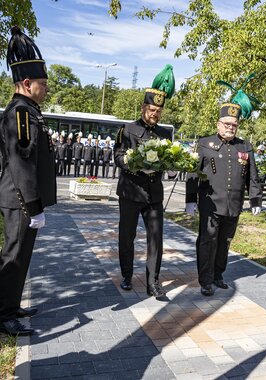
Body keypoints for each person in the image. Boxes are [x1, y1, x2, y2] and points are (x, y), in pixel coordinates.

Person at [0, 26, 56, 336]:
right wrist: (34, 207)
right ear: (26, 83)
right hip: (19, 200)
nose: (46, 89)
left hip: (20, 200)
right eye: (42, 84)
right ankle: (4, 315)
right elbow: (22, 165)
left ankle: (11, 303)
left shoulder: (28, 110)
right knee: (14, 255)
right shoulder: (21, 114)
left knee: (21, 257)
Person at [186, 86, 262, 296]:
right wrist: (190, 199)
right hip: (210, 203)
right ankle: (206, 280)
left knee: (224, 242)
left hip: (233, 204)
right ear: (218, 124)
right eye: (227, 124)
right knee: (207, 241)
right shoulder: (204, 143)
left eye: (234, 125)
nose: (231, 128)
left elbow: (252, 176)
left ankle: (219, 274)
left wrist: (255, 200)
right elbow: (193, 172)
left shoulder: (244, 147)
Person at [114, 65, 175, 299]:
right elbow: (118, 156)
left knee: (156, 238)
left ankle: (153, 282)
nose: (155, 114)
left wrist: (171, 167)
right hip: (131, 191)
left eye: (159, 111)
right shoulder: (128, 130)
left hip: (153, 194)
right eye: (151, 110)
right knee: (126, 236)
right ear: (143, 108)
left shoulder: (165, 133)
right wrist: (133, 164)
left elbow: (169, 157)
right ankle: (127, 276)